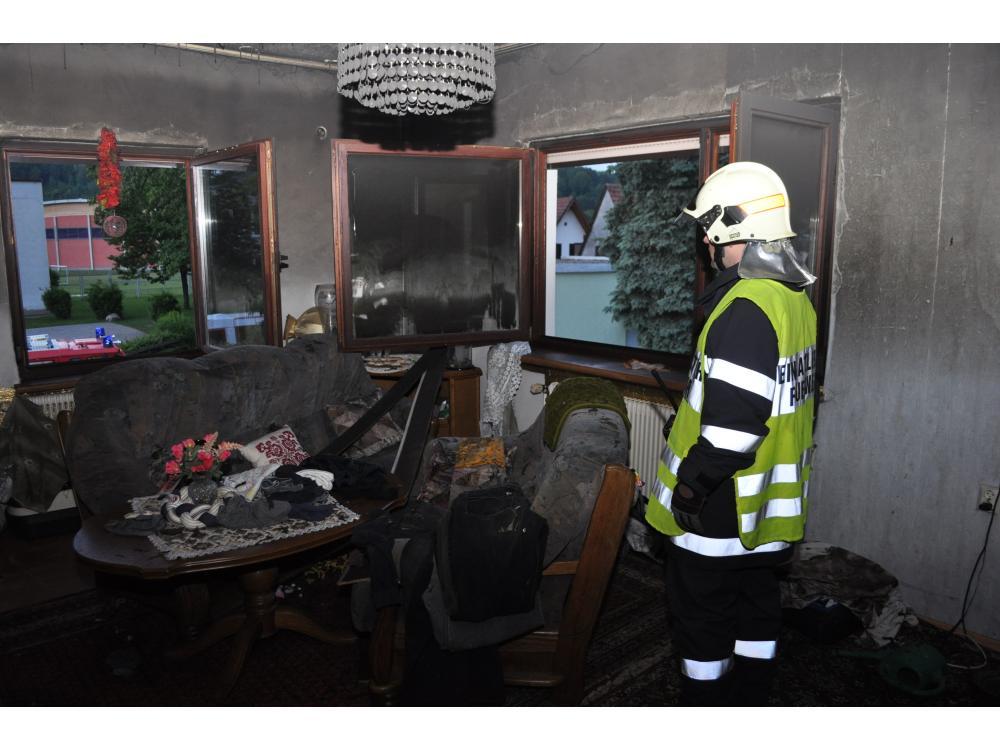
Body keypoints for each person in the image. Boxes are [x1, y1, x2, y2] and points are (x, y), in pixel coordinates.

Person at [645, 161, 818, 706]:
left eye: (708, 227)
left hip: (719, 507)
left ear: (733, 227)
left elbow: (732, 430)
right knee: (756, 606)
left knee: (702, 620)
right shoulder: (793, 299)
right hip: (764, 508)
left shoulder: (745, 309)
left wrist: (689, 490)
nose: (704, 240)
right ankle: (751, 697)